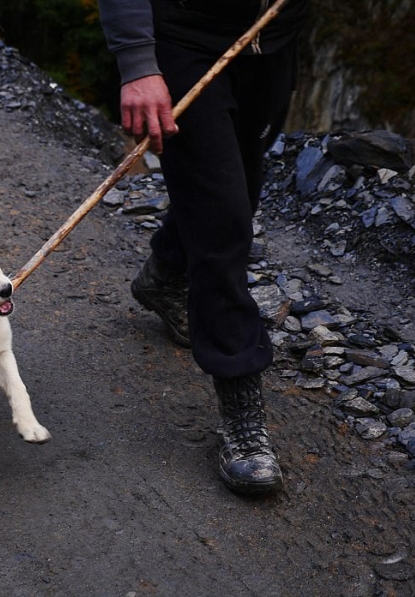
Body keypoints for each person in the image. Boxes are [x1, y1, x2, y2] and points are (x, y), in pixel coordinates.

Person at [98, 0, 311, 496]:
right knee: (222, 221)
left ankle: (167, 274)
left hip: (272, 40)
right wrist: (137, 62)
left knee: (238, 194)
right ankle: (240, 402)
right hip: (183, 41)